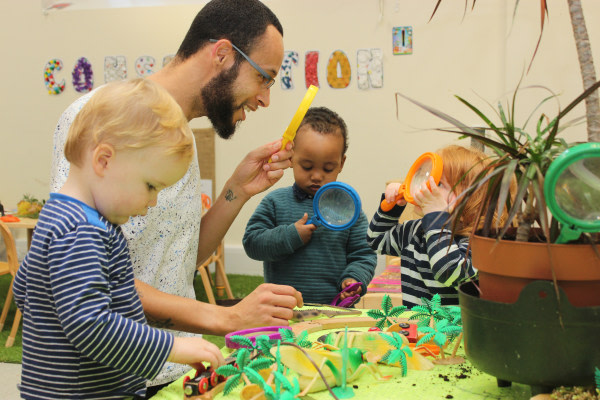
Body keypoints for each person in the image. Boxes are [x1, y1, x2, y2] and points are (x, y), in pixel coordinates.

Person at [49, 0, 302, 392]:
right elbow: (97, 279)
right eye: (264, 78)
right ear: (221, 54)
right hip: (111, 380)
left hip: (171, 372)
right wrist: (227, 318)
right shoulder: (99, 117)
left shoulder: (179, 135)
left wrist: (238, 189)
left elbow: (176, 263)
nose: (265, 99)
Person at [13, 79, 226, 399]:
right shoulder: (82, 233)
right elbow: (91, 326)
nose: (153, 201)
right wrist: (173, 346)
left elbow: (24, 292)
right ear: (104, 160)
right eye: (151, 186)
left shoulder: (58, 215)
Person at [243, 107, 377, 304]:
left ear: (341, 163)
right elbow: (252, 244)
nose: (316, 176)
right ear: (292, 157)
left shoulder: (351, 211)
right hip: (282, 310)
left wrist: (354, 279)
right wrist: (290, 235)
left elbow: (364, 255)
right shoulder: (275, 202)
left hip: (335, 312)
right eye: (307, 166)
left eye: (328, 168)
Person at [367, 145, 490, 308]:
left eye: (438, 183)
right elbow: (376, 240)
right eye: (426, 178)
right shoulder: (414, 231)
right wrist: (390, 206)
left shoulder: (477, 242)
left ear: (471, 197)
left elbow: (448, 271)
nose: (424, 188)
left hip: (453, 331)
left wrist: (436, 218)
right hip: (416, 327)